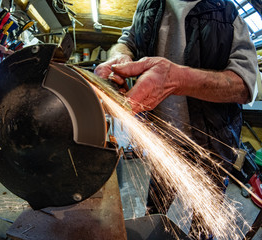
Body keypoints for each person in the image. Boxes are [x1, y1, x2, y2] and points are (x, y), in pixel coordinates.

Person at [94, 0, 258, 238]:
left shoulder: (226, 11)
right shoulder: (147, 6)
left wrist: (177, 79)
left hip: (210, 147)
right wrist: (120, 57)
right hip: (161, 142)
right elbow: (125, 42)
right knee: (154, 213)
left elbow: (245, 85)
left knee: (203, 225)